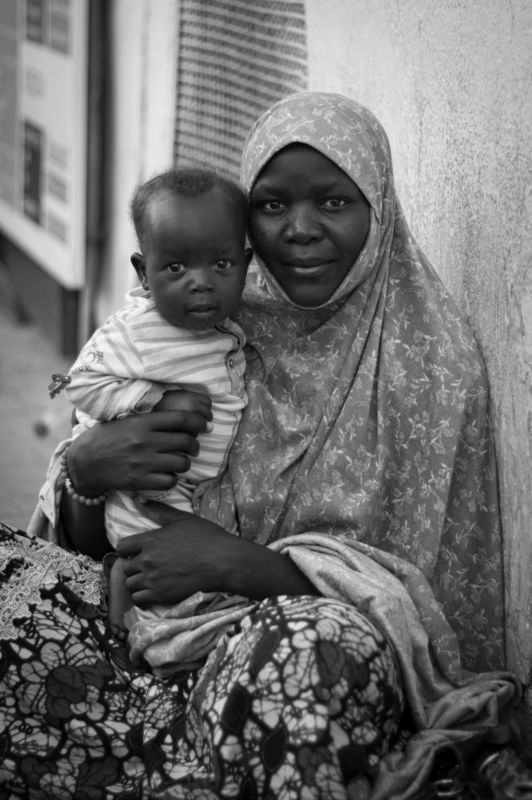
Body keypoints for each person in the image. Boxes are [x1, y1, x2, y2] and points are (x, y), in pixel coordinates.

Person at [1, 91, 530, 800]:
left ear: (379, 209)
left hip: (300, 655)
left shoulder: (430, 365)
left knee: (310, 649)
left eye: (335, 202)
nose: (301, 230)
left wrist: (239, 565)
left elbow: (427, 615)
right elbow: (95, 538)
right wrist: (85, 472)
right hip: (148, 627)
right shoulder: (201, 323)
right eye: (273, 204)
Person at [50, 166, 252, 647]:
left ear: (246, 264)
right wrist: (154, 399)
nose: (201, 283)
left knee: (196, 560)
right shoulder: (138, 331)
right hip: (152, 488)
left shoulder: (231, 326)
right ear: (144, 272)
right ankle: (134, 622)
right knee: (157, 557)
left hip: (201, 488)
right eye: (176, 268)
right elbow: (77, 382)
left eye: (221, 265)